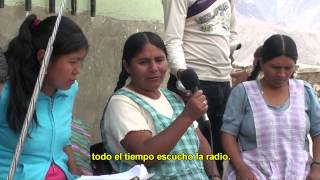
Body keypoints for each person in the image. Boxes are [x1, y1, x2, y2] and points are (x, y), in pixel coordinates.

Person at [101, 32, 221, 179]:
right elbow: (147, 156)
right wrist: (187, 116)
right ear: (127, 66)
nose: (154, 68)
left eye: (159, 60)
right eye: (143, 62)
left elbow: (201, 145)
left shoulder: (173, 98)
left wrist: (215, 175)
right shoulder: (121, 103)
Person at [0, 14, 89, 180]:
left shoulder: (69, 90)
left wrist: (76, 172)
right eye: (73, 62)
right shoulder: (6, 94)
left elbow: (63, 139)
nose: (78, 70)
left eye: (81, 62)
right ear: (44, 58)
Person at [221, 34, 320, 179]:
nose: (281, 74)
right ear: (262, 63)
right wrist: (241, 169)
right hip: (253, 173)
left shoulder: (304, 91)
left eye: (288, 68)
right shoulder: (243, 93)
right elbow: (228, 134)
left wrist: (316, 167)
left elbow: (318, 132)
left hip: (299, 173)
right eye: (275, 67)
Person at [162, 0, 238, 174]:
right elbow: (172, 41)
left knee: (218, 155)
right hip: (193, 85)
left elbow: (231, 33)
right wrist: (184, 77)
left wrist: (226, 58)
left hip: (223, 83)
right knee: (193, 153)